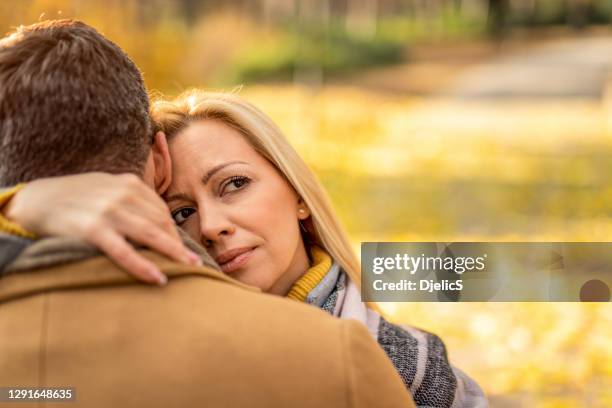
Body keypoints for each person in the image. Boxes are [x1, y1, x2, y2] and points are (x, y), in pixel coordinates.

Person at [0, 19, 416, 408]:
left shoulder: (395, 355)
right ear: (159, 163)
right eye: (181, 213)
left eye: (235, 184)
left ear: (297, 190)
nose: (213, 227)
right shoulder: (334, 356)